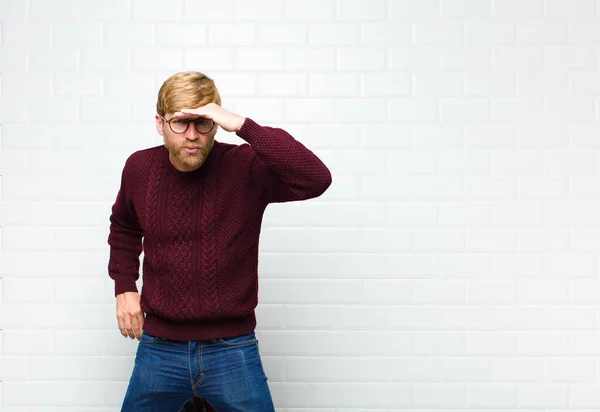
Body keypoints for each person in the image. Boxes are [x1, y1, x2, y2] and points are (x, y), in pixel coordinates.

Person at [107, 71, 332, 411]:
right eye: (180, 124)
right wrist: (125, 286)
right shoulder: (140, 167)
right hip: (159, 347)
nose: (193, 136)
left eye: (203, 123)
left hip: (231, 348)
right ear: (159, 123)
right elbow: (124, 226)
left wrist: (241, 125)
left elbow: (315, 178)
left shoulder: (244, 167)